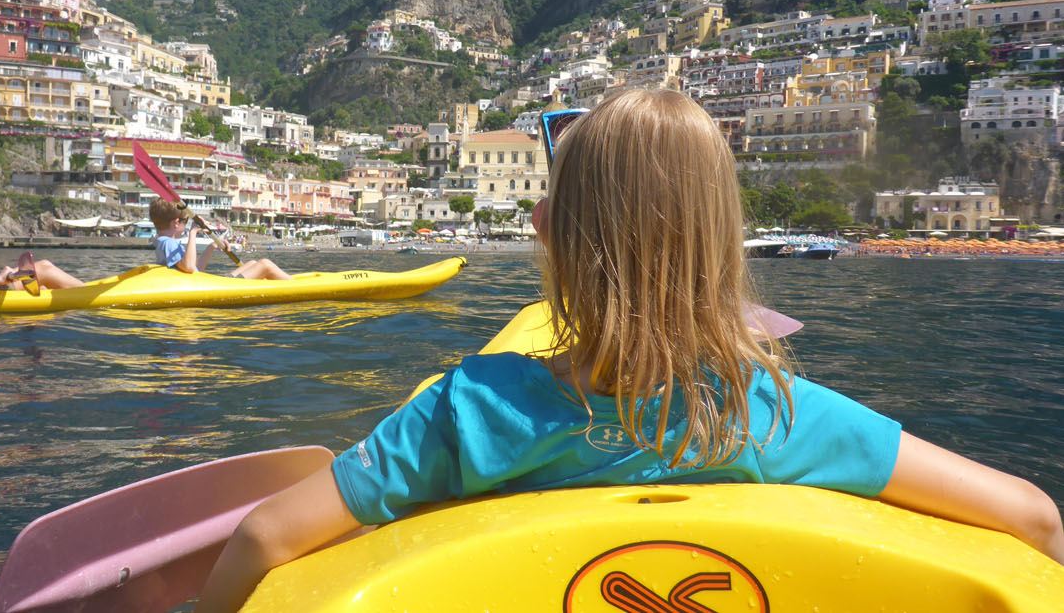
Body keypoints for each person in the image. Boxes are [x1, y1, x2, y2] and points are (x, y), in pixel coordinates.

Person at [194, 89, 1064, 611]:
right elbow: (1033, 517)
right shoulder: (776, 414)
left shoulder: (469, 412)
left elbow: (266, 536)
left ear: (558, 238)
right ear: (717, 247)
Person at [149, 199, 290, 280]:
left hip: (204, 283)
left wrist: (212, 246)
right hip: (208, 287)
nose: (187, 224)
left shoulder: (163, 242)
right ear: (175, 223)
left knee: (253, 263)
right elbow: (190, 268)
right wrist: (193, 233)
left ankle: (280, 281)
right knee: (265, 264)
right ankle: (294, 286)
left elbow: (196, 269)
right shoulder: (169, 243)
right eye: (185, 221)